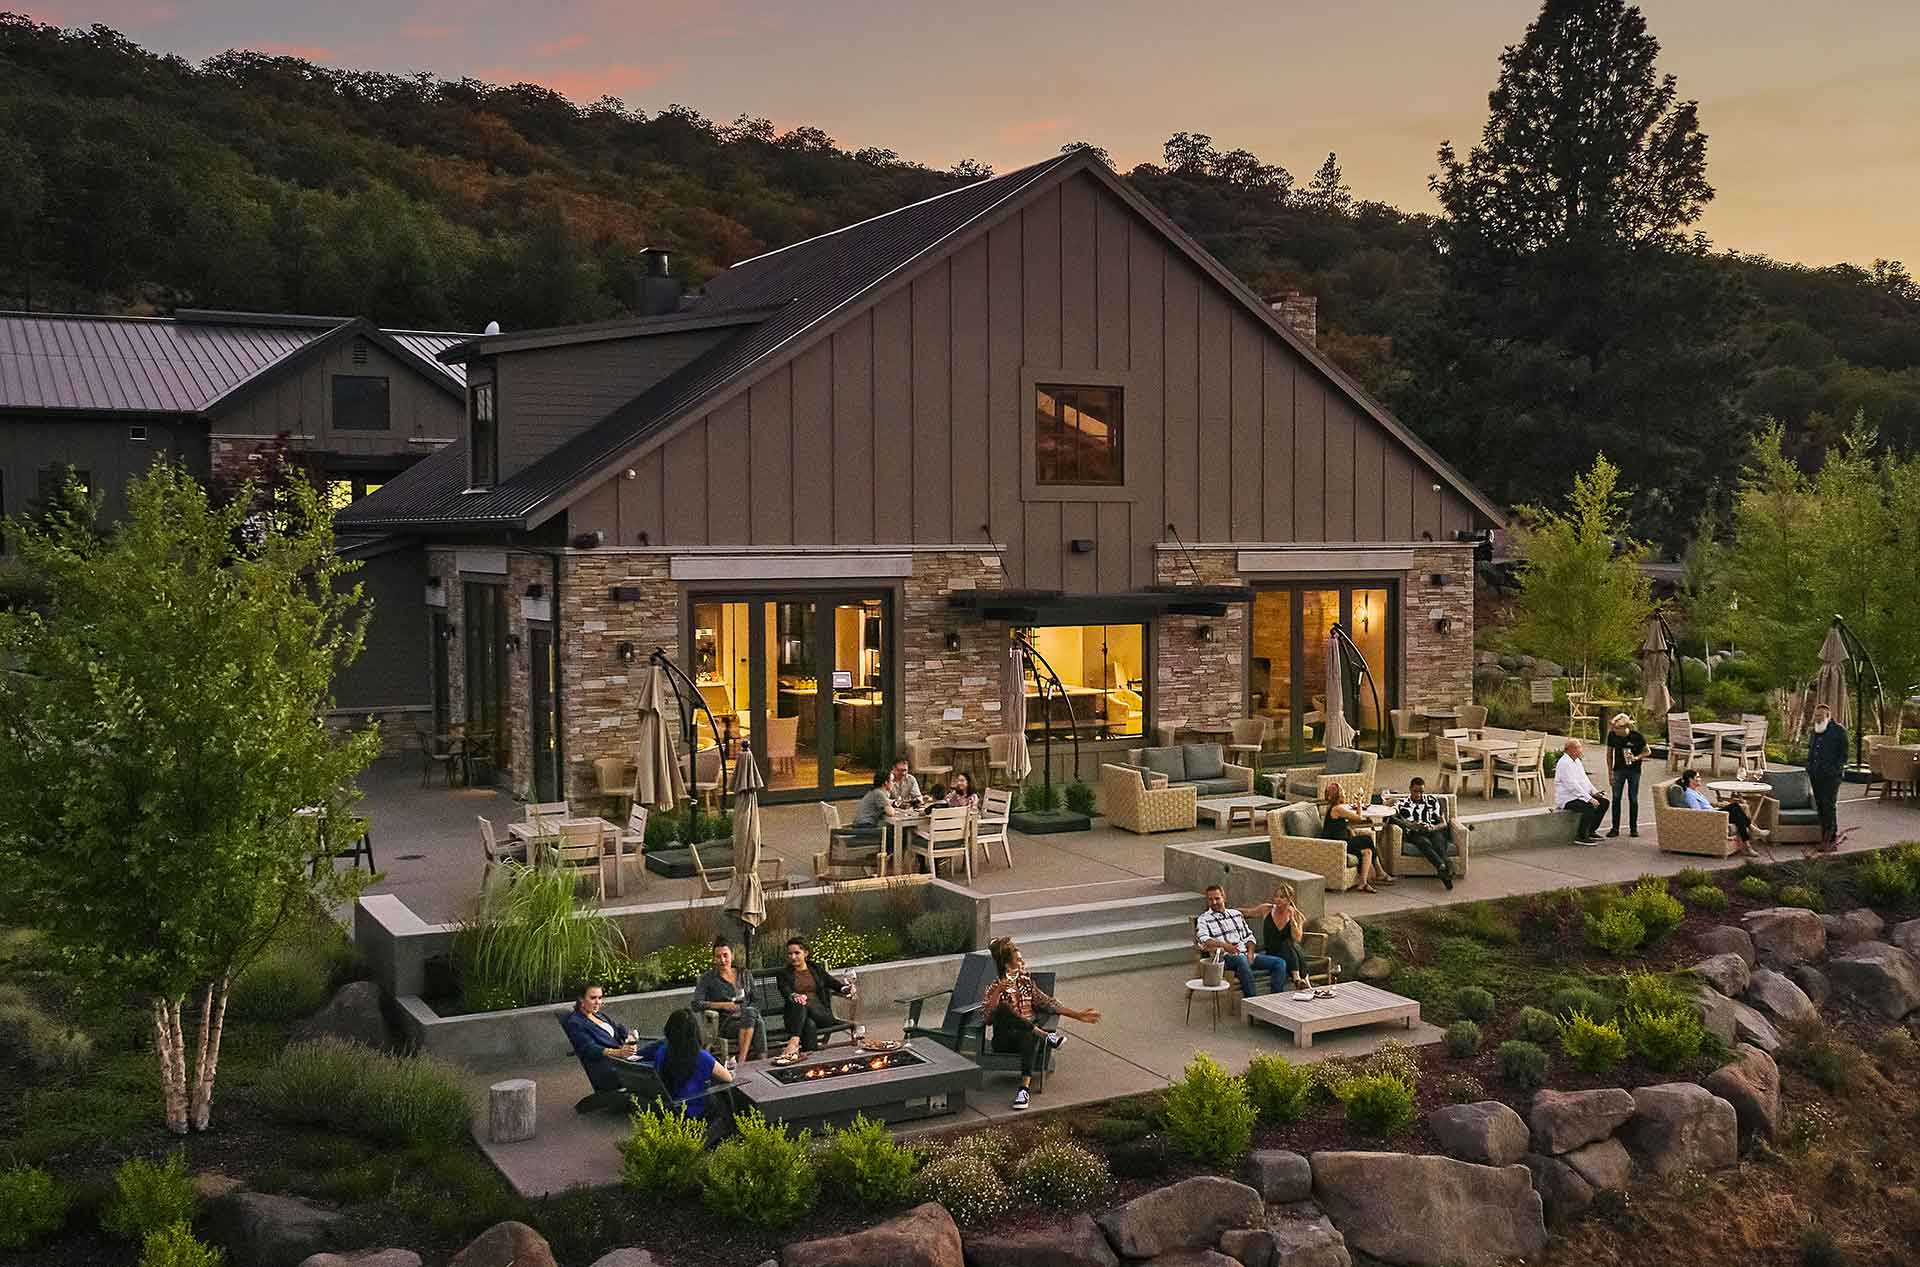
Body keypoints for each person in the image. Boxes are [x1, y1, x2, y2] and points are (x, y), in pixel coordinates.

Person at [981, 935, 1101, 1111]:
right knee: (1004, 1008)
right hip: (1004, 1041)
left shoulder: (1027, 983)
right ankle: (1045, 1036)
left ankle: (1023, 1090)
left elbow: (1049, 1003)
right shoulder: (994, 988)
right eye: (1019, 959)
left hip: (1026, 1039)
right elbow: (987, 1017)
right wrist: (999, 990)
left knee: (1027, 1033)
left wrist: (1078, 1015)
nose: (1023, 962)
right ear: (1007, 965)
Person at [643, 1008, 734, 1143]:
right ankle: (727, 1135)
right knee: (724, 1094)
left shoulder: (662, 1052)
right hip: (692, 1109)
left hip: (669, 1106)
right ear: (695, 1031)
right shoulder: (701, 1056)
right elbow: (728, 1077)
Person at [1195, 884, 1294, 997]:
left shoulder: (1235, 914)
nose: (1214, 902)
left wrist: (1251, 952)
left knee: (1279, 963)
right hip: (1224, 957)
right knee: (1241, 960)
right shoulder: (1204, 919)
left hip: (1245, 954)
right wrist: (1226, 946)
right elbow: (1204, 939)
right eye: (1210, 899)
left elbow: (1249, 937)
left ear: (1224, 897)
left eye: (1217, 898)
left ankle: (1274, 999)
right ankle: (1252, 1001)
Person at [561, 980, 637, 1114]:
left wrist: (630, 1039)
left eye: (600, 998)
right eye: (593, 998)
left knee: (659, 1047)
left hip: (623, 1060)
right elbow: (589, 1049)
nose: (598, 1002)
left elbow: (620, 1029)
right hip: (608, 1069)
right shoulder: (575, 1022)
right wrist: (619, 1052)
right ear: (581, 999)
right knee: (658, 1056)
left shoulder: (599, 1015)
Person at [774, 936, 856, 1052]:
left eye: (797, 953)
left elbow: (833, 983)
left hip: (822, 1015)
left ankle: (794, 1040)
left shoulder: (815, 969)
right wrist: (794, 995)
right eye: (790, 954)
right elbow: (785, 991)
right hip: (795, 1018)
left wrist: (845, 988)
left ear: (806, 953)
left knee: (804, 1002)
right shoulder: (784, 974)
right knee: (809, 1024)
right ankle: (811, 1060)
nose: (793, 957)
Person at [692, 936, 763, 1062]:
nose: (722, 960)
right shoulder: (708, 978)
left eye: (725, 955)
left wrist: (748, 1012)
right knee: (758, 1022)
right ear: (714, 959)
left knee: (754, 1017)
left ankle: (744, 1060)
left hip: (749, 1018)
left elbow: (756, 1000)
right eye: (718, 957)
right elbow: (696, 1004)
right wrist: (723, 1005)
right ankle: (756, 1061)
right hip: (727, 1023)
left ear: (732, 956)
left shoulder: (744, 974)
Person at [1320, 781, 1385, 892]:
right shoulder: (1338, 809)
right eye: (1343, 792)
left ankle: (1363, 883)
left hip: (1342, 841)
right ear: (1339, 795)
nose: (1345, 794)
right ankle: (1380, 872)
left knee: (1367, 851)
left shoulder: (1334, 808)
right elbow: (1359, 818)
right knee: (1368, 839)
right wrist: (1359, 803)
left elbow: (1347, 824)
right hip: (1339, 844)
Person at [1391, 777, 1455, 890]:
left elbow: (1443, 823)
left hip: (1432, 830)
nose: (1419, 794)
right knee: (1423, 842)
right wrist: (1409, 824)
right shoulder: (1402, 803)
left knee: (1438, 843)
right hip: (1415, 833)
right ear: (1410, 789)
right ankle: (1444, 866)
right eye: (1416, 791)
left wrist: (1432, 827)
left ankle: (1442, 869)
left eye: (1421, 791)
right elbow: (1391, 816)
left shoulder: (1431, 800)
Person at [1242, 882, 1309, 988]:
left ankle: (1298, 979)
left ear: (1289, 899)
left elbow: (1297, 938)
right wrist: (1229, 911)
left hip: (1288, 954)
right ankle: (1301, 979)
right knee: (1290, 946)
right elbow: (1248, 912)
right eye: (1276, 896)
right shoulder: (1267, 909)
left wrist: (1292, 920)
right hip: (1272, 950)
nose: (1278, 899)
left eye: (1282, 897)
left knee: (1289, 944)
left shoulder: (1295, 914)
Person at [1678, 768, 1757, 857]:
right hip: (1711, 817)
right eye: (1698, 777)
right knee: (1734, 806)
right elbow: (1697, 812)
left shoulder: (1695, 791)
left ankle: (1748, 845)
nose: (1700, 779)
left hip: (1714, 813)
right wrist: (1716, 811)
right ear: (1691, 779)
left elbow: (1707, 805)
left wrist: (1717, 806)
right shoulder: (1689, 794)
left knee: (1738, 815)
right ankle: (1752, 830)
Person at [1807, 702, 1847, 852]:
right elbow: (1811, 750)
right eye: (1815, 715)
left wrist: (1833, 770)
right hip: (1815, 774)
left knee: (1828, 805)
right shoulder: (1814, 730)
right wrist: (1809, 767)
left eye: (1820, 716)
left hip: (1831, 777)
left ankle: (1830, 840)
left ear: (1828, 716)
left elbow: (1843, 756)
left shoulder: (1838, 731)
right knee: (1820, 805)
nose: (1817, 718)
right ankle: (1826, 836)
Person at [1555, 739, 1610, 844]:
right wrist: (1589, 798)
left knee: (1604, 802)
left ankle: (1591, 831)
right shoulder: (1564, 763)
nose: (1581, 750)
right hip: (1568, 798)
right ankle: (1581, 836)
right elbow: (1572, 786)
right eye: (1578, 747)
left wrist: (1594, 792)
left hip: (1579, 796)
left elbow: (1585, 780)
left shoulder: (1577, 761)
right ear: (1570, 749)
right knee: (1589, 807)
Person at [1605, 713, 1648, 838]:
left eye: (1617, 728)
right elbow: (1609, 754)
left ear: (1625, 727)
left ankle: (1633, 828)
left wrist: (1636, 757)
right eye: (1613, 727)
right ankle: (1615, 828)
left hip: (1634, 770)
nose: (1614, 730)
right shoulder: (1612, 735)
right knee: (1616, 798)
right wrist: (1610, 772)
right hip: (1618, 769)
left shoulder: (1636, 736)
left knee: (1633, 798)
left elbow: (1647, 751)